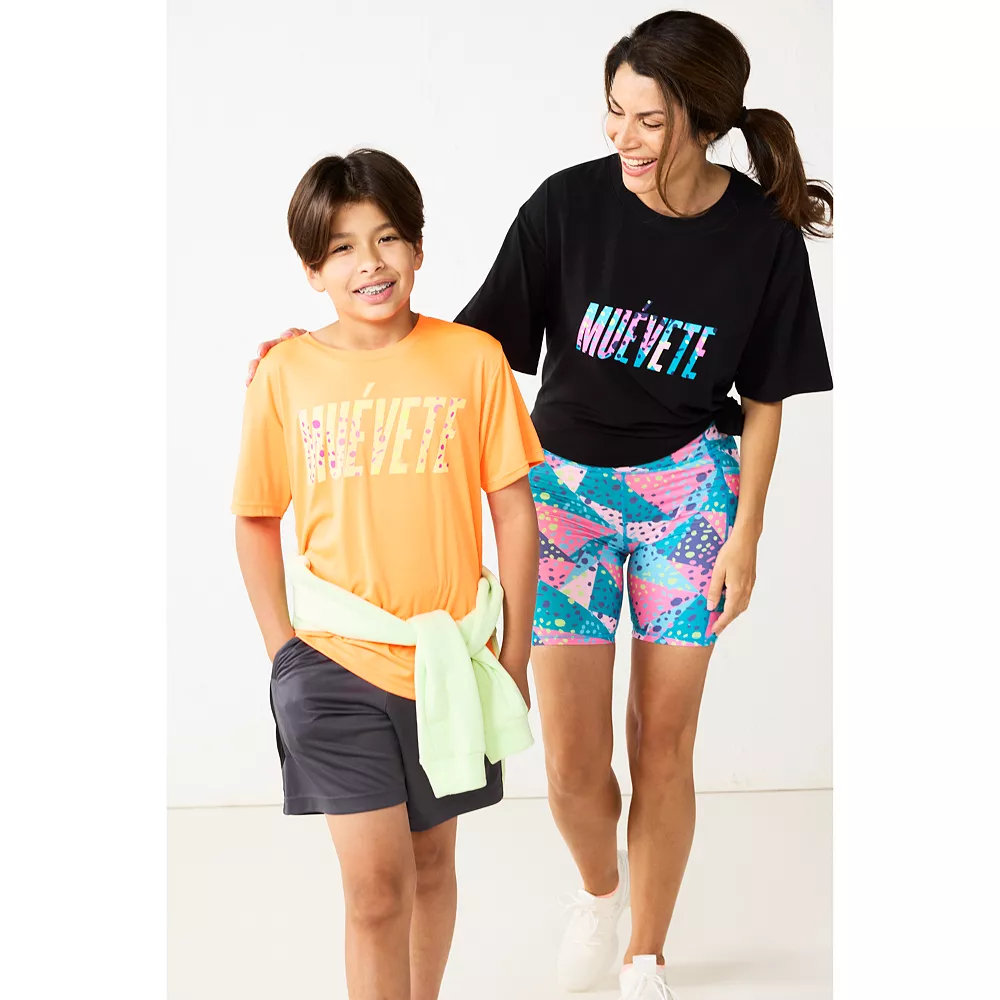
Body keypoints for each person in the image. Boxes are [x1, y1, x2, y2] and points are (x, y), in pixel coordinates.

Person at [247, 11, 833, 999]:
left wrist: (748, 532)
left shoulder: (760, 237)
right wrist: (321, 347)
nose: (622, 137)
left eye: (649, 120)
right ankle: (599, 892)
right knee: (570, 761)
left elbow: (768, 395)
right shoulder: (568, 206)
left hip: (689, 498)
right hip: (560, 495)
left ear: (704, 121)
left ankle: (645, 953)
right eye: (613, 111)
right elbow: (465, 345)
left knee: (663, 743)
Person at [232, 149, 543, 1000]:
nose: (368, 263)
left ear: (417, 248)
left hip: (449, 663)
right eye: (340, 248)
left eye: (387, 238)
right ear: (312, 271)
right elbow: (255, 517)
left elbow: (515, 513)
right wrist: (284, 653)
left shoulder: (473, 359)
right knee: (375, 892)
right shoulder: (285, 374)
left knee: (432, 865)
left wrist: (514, 658)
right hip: (333, 666)